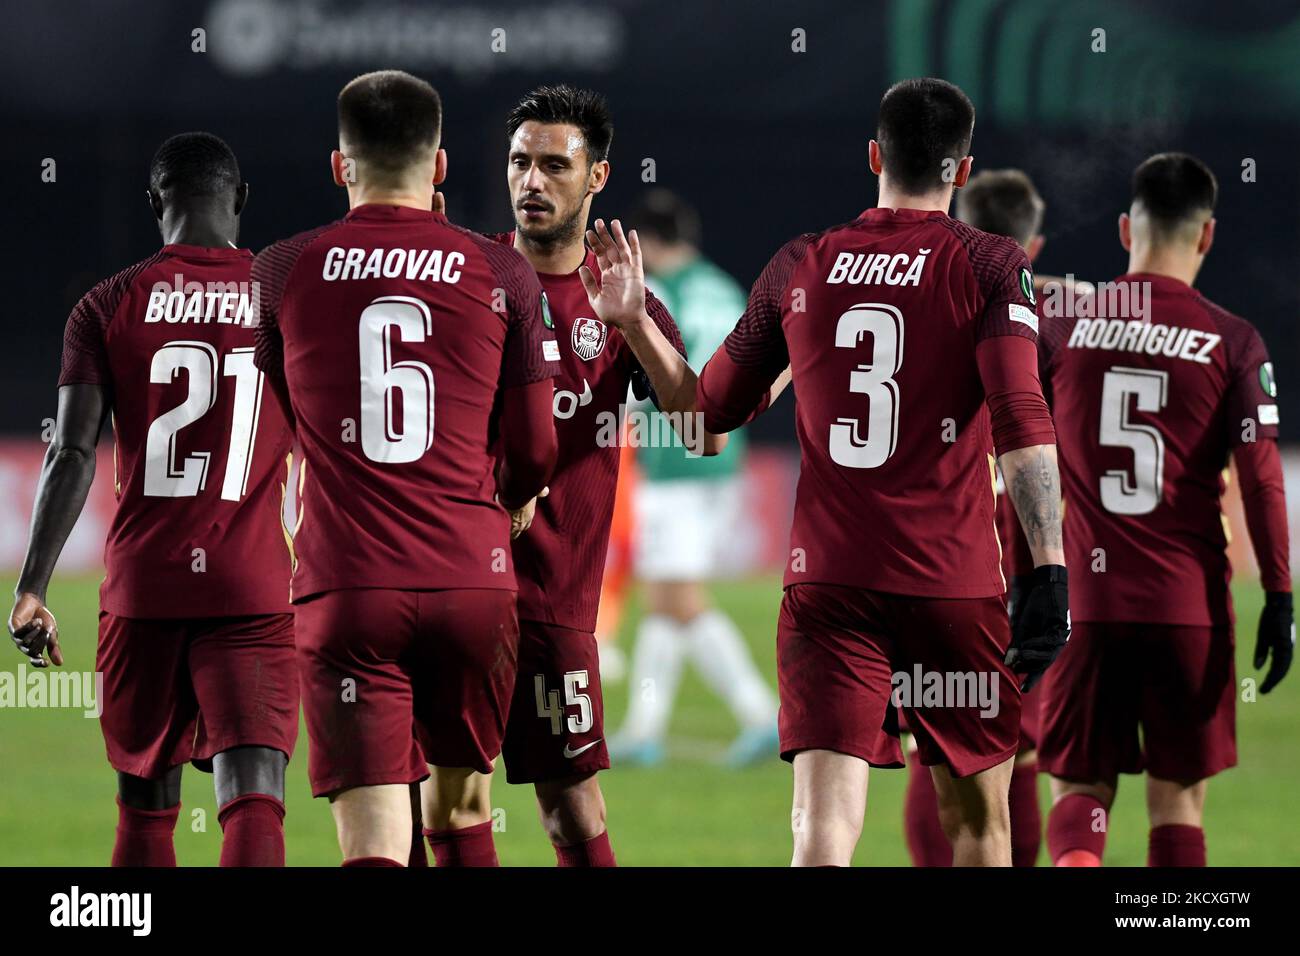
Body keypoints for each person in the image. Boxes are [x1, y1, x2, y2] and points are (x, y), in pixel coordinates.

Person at [696, 77, 1071, 866]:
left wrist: (638, 322)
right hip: (952, 585)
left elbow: (712, 407)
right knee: (979, 827)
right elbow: (1021, 420)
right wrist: (1049, 570)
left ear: (874, 155)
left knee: (822, 834)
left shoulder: (803, 261)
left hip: (829, 584)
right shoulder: (991, 262)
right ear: (962, 172)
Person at [251, 70, 558, 866]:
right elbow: (534, 448)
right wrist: (514, 501)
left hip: (347, 587)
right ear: (443, 166)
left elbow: (292, 412)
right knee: (460, 814)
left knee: (375, 840)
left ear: (338, 165)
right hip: (471, 581)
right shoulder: (502, 271)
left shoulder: (281, 270)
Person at [8, 132, 298, 866]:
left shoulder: (105, 304)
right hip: (253, 585)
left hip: (144, 589)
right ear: (240, 200)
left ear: (154, 203)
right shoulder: (285, 297)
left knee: (145, 805)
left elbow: (72, 450)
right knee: (254, 791)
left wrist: (33, 587)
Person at [1037, 152, 1293, 867]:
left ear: (1125, 229)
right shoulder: (1233, 340)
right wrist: (1279, 593)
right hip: (1189, 610)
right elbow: (1261, 478)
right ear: (1207, 236)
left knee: (1080, 790)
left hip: (1083, 605)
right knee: (1177, 799)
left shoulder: (1068, 323)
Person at [610, 188, 780, 768]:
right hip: (724, 459)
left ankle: (761, 714)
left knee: (678, 598)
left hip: (674, 462)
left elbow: (639, 387)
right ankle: (644, 729)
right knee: (663, 598)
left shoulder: (657, 294)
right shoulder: (726, 288)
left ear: (649, 242)